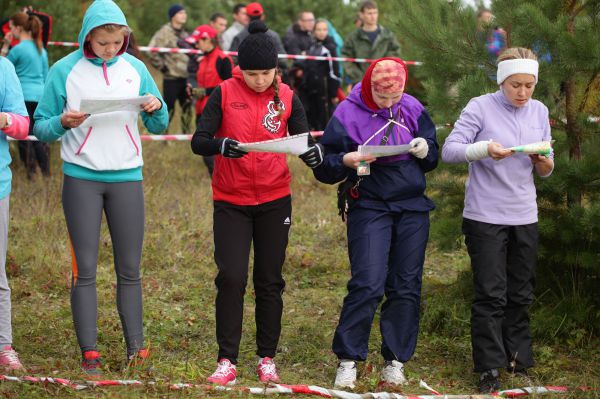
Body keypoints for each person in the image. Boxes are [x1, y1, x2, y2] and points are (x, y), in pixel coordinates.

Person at [33, 0, 168, 376]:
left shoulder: (136, 68)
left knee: (130, 268)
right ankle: (89, 352)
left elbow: (160, 124)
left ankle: (135, 349)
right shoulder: (64, 70)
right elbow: (40, 126)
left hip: (127, 178)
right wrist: (61, 121)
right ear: (87, 37)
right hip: (82, 179)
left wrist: (156, 108)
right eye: (103, 43)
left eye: (117, 42)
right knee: (86, 269)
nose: (111, 49)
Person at [191, 20, 319, 386]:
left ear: (276, 70)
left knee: (269, 279)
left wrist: (312, 155)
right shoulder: (224, 92)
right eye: (252, 74)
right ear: (239, 70)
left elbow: (303, 139)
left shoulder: (288, 97)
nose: (259, 80)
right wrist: (220, 145)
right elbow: (199, 140)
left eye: (266, 73)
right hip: (231, 200)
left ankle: (267, 357)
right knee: (231, 277)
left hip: (275, 199)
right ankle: (226, 360)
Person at [311, 57, 438, 389]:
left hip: (411, 205)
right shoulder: (347, 113)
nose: (389, 103)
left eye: (394, 98)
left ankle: (395, 360)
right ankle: (348, 359)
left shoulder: (411, 107)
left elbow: (433, 156)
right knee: (368, 281)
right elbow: (325, 167)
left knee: (406, 284)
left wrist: (426, 149)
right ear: (369, 88)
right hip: (369, 202)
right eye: (383, 99)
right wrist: (346, 160)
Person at [441, 47, 553, 393]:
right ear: (501, 81)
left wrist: (541, 161)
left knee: (520, 292)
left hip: (525, 214)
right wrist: (484, 148)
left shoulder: (540, 110)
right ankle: (489, 367)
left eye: (529, 85)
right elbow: (449, 150)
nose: (522, 93)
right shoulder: (479, 106)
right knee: (491, 294)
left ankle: (518, 361)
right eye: (515, 85)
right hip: (485, 215)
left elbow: (549, 167)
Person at [0, 57, 30, 373]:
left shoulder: (4, 68)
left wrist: (6, 119)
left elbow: (23, 125)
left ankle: (3, 345)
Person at [6, 12, 50, 179]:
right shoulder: (42, 50)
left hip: (23, 97)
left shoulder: (17, 50)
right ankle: (46, 173)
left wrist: (6, 46)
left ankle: (31, 173)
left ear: (19, 29)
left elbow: (4, 68)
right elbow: (46, 76)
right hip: (39, 96)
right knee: (38, 135)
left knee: (24, 136)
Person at [186, 24, 233, 177]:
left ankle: (221, 177)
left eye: (198, 41)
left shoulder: (223, 59)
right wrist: (193, 90)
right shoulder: (202, 59)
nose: (196, 45)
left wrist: (203, 91)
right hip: (201, 108)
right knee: (204, 148)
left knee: (212, 149)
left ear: (208, 39)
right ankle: (217, 177)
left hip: (217, 110)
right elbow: (202, 83)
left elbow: (229, 87)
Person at [148, 4, 192, 133]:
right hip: (171, 78)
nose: (184, 15)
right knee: (169, 109)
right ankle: (164, 135)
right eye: (180, 13)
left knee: (187, 108)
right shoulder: (164, 32)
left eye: (185, 13)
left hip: (186, 78)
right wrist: (162, 67)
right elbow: (151, 50)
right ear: (173, 16)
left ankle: (186, 135)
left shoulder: (184, 33)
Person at [341, 0, 401, 88]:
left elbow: (395, 53)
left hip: (384, 81)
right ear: (361, 15)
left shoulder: (388, 35)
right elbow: (346, 58)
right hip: (360, 83)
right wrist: (359, 77)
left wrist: (383, 71)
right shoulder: (353, 37)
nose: (373, 16)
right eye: (369, 13)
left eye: (375, 13)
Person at [298, 19, 341, 130]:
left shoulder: (330, 47)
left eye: (324, 29)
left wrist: (334, 93)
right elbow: (308, 66)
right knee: (313, 119)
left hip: (325, 91)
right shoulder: (312, 46)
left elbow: (334, 71)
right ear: (314, 31)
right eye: (319, 29)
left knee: (326, 120)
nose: (322, 32)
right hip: (311, 90)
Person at [229, 2, 288, 82]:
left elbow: (232, 60)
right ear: (263, 16)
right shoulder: (274, 36)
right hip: (271, 80)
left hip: (245, 81)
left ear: (247, 17)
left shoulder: (239, 37)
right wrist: (275, 74)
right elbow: (282, 60)